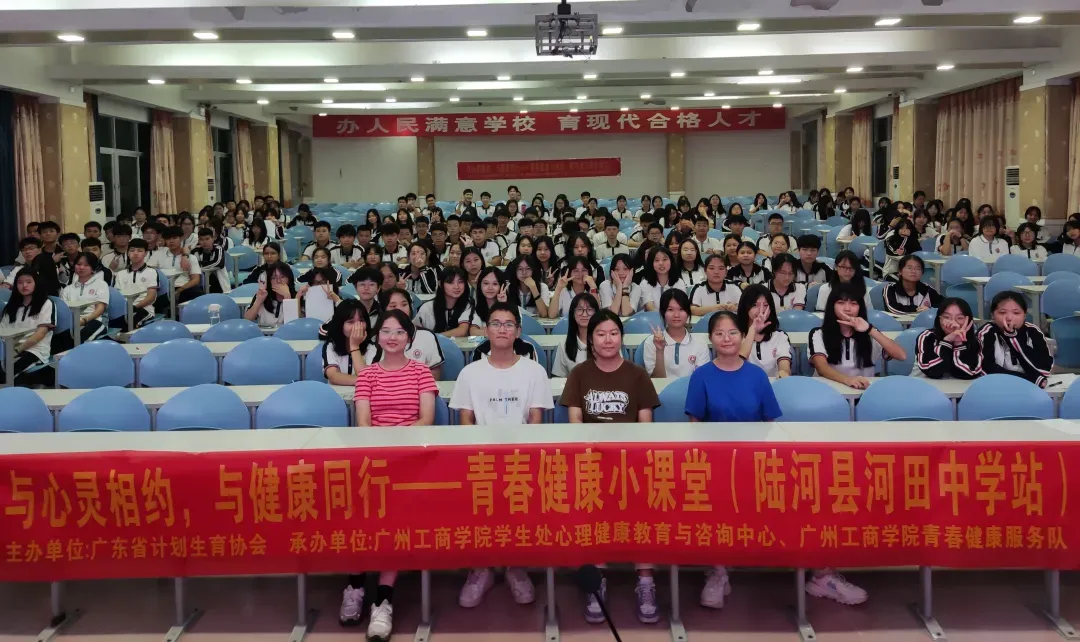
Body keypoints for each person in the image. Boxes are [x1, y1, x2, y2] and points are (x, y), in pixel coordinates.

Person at [559, 310, 661, 624]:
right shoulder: (579, 374)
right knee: (592, 510)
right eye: (600, 334)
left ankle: (645, 581)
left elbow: (645, 426)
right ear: (591, 340)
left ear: (621, 337)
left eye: (613, 333)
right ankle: (597, 579)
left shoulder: (637, 375)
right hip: (592, 462)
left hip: (631, 463)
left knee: (643, 510)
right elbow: (575, 423)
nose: (607, 340)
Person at [451, 301, 552, 602]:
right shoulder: (470, 373)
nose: (502, 329)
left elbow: (535, 420)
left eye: (509, 324)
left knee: (520, 510)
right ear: (486, 330)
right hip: (480, 459)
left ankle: (515, 567)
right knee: (478, 510)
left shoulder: (534, 371)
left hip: (521, 459)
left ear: (518, 331)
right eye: (496, 323)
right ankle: (480, 569)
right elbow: (465, 421)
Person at [349, 308, 439, 641]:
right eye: (386, 331)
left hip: (409, 461)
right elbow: (363, 423)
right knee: (359, 515)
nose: (392, 337)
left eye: (399, 332)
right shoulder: (368, 375)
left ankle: (383, 599)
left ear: (409, 338)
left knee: (394, 520)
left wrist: (397, 447)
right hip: (373, 460)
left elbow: (426, 419)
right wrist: (382, 450)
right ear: (377, 337)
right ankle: (355, 585)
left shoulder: (421, 372)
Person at [809, 283, 906, 389]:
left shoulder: (870, 333)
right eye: (841, 303)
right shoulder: (818, 334)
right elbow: (822, 367)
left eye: (853, 303)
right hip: (828, 391)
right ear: (832, 306)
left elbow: (901, 356)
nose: (847, 308)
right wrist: (848, 380)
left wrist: (869, 329)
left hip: (862, 392)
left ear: (860, 308)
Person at [978, 291, 1053, 387]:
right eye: (1002, 312)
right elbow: (986, 369)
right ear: (992, 315)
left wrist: (1013, 338)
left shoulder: (1033, 331)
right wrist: (1029, 379)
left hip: (1031, 388)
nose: (1009, 318)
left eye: (1016, 313)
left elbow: (1044, 369)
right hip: (995, 386)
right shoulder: (986, 332)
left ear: (1024, 315)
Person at [0, 269, 55, 385]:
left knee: (6, 372)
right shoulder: (11, 306)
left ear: (36, 283)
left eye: (28, 282)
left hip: (34, 350)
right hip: (10, 349)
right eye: (20, 282)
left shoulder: (46, 303)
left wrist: (17, 350)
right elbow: (2, 332)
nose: (24, 285)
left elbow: (41, 333)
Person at [643, 289, 710, 378]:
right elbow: (657, 381)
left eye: (681, 309)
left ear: (688, 313)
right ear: (663, 312)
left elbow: (701, 379)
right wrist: (659, 351)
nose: (676, 315)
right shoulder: (651, 342)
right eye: (670, 309)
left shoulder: (700, 343)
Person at [914, 297, 983, 379]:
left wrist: (958, 343)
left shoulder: (975, 341)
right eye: (947, 317)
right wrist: (947, 341)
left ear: (969, 320)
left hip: (959, 387)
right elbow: (933, 372)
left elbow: (970, 373)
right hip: (924, 385)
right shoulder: (926, 337)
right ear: (939, 318)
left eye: (960, 318)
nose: (953, 323)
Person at [736, 285, 792, 377]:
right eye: (755, 305)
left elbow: (784, 366)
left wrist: (783, 372)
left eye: (766, 305)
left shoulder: (779, 336)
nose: (761, 310)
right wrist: (753, 329)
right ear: (745, 307)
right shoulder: (734, 335)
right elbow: (736, 366)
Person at [60, 252, 110, 344]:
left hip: (95, 321)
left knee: (78, 340)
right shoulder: (68, 289)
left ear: (93, 268)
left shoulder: (101, 284)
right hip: (73, 324)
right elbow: (65, 311)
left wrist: (84, 320)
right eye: (78, 264)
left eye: (86, 265)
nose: (81, 267)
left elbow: (100, 309)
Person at [320, 299, 373, 386]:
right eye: (351, 322)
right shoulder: (330, 346)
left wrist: (355, 346)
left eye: (361, 321)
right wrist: (364, 380)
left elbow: (366, 376)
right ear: (340, 324)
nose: (357, 326)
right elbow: (333, 376)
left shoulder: (372, 348)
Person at [113, 239, 158, 330]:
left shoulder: (152, 272)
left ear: (145, 253)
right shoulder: (120, 274)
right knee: (114, 323)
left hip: (144, 309)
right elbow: (117, 296)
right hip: (124, 310)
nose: (135, 253)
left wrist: (134, 307)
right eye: (132, 250)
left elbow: (151, 297)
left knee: (128, 324)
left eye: (140, 251)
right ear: (128, 253)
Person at [414, 267, 472, 337]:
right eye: (450, 282)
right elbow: (414, 331)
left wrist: (433, 337)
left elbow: (462, 331)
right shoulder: (427, 307)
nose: (456, 287)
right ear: (440, 283)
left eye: (460, 282)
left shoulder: (468, 305)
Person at [551, 292, 598, 377]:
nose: (584, 314)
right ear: (573, 313)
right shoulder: (564, 344)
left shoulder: (607, 341)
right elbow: (558, 377)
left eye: (589, 309)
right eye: (580, 309)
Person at [244, 262, 296, 327]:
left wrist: (287, 297)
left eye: (282, 277)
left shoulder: (297, 296)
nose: (279, 281)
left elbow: (295, 324)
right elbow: (247, 321)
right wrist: (258, 301)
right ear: (269, 281)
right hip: (264, 333)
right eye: (273, 278)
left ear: (289, 279)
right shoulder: (262, 295)